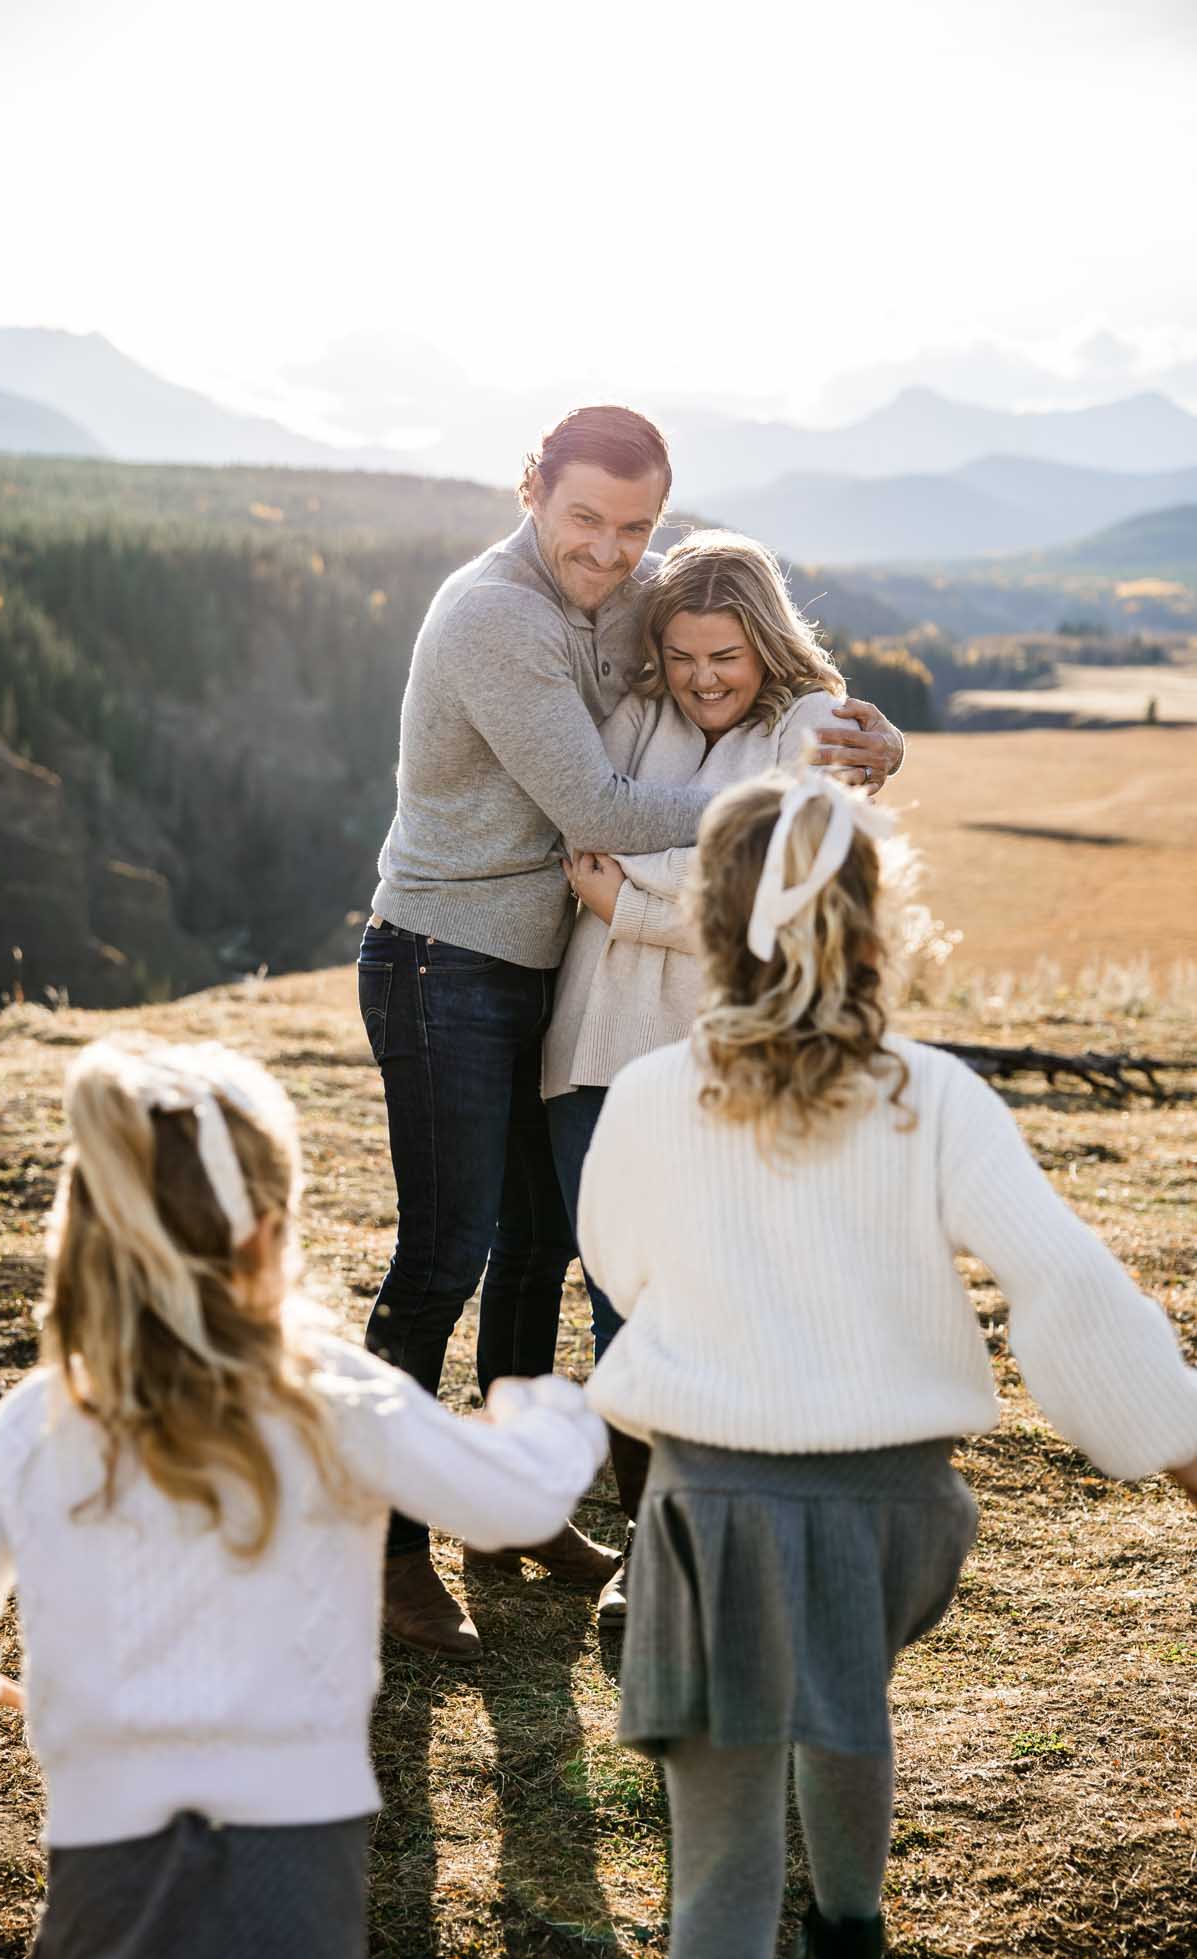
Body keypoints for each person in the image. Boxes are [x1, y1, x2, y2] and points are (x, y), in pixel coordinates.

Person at [577, 772, 1197, 1959]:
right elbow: (1063, 1277)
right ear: (875, 928)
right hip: (891, 1510)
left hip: (716, 1508)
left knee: (721, 1848)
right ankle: (850, 1938)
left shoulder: (654, 1094)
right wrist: (1179, 1442)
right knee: (843, 1693)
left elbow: (620, 1266)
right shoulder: (933, 1093)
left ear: (710, 924)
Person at [0, 1036, 605, 1959]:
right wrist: (553, 1417)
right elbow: (517, 1501)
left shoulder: (39, 1421)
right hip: (294, 1884)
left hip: (107, 1881)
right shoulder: (330, 1395)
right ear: (266, 1234)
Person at [361, 404, 904, 1659]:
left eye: (633, 527)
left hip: (539, 972)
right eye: (584, 522)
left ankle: (509, 1512)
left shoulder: (631, 579)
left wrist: (872, 741)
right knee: (446, 1251)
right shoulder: (496, 613)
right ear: (530, 492)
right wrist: (788, 795)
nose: (608, 553)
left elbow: (745, 643)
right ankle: (382, 1549)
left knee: (541, 1241)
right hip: (446, 955)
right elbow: (600, 803)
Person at [543, 529, 861, 1622]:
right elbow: (582, 826)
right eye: (683, 654)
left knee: (714, 1308)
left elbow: (775, 891)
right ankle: (653, 1553)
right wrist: (673, 869)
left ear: (765, 644)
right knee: (624, 1316)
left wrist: (630, 897)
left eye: (723, 653)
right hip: (587, 1058)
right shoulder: (634, 717)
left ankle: (741, 1536)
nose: (703, 675)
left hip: (714, 1067)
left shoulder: (802, 727)